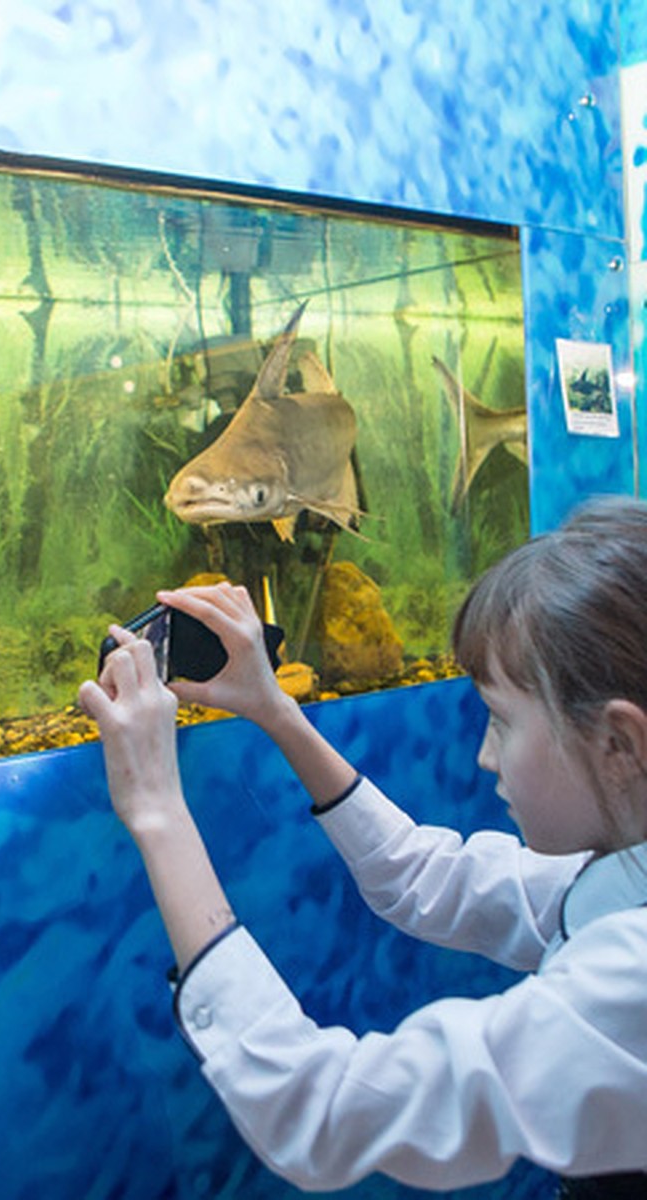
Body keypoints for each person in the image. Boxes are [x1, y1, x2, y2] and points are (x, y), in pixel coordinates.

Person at [78, 495, 647, 1198]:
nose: (484, 756)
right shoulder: (622, 878)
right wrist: (273, 707)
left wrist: (157, 808)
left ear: (620, 744)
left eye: (501, 721)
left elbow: (318, 1111)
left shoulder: (632, 985)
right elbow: (422, 878)